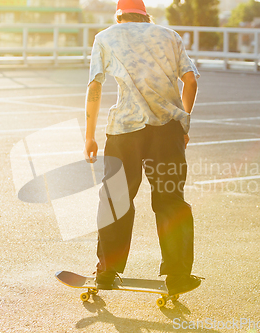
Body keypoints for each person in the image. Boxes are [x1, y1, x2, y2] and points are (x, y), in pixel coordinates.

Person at [84, 0, 201, 296]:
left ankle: (106, 271)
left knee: (116, 199)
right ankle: (178, 276)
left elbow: (95, 87)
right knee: (171, 200)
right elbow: (190, 81)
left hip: (125, 130)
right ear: (146, 16)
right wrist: (183, 122)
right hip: (168, 130)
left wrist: (89, 135)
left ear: (119, 15)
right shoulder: (169, 36)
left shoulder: (106, 36)